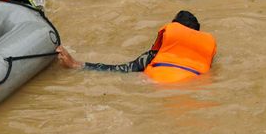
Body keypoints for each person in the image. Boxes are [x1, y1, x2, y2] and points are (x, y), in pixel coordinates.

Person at [56, 10, 216, 84]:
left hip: (157, 90)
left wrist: (76, 64)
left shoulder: (155, 57)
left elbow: (120, 70)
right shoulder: (205, 58)